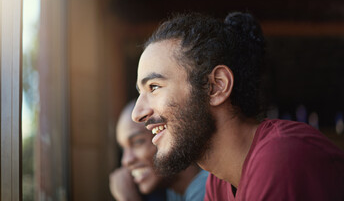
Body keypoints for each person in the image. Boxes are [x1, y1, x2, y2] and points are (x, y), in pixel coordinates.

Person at [131, 12, 344, 200]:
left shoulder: (281, 159)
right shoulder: (220, 182)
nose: (137, 114)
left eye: (154, 87)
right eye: (141, 93)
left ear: (216, 86)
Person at [110, 101, 208, 201]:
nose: (126, 160)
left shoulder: (208, 190)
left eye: (137, 142)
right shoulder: (172, 193)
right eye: (123, 148)